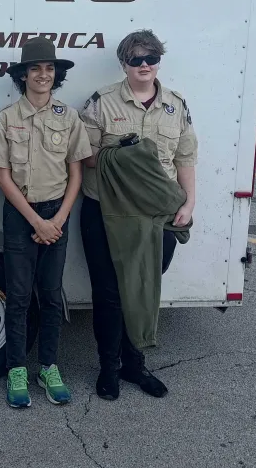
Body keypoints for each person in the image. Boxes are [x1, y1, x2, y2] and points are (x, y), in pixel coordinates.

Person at [78, 29, 197, 401]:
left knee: (143, 290)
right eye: (135, 59)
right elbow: (85, 156)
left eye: (151, 58)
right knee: (109, 293)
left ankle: (134, 365)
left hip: (156, 217)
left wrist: (188, 203)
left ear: (159, 61)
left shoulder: (176, 105)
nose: (144, 65)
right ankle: (108, 368)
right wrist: (127, 155)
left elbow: (185, 159)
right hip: (106, 212)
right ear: (123, 64)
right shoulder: (101, 103)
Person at [0, 37, 91, 409]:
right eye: (36, 68)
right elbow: (2, 176)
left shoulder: (69, 117)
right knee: (18, 297)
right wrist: (36, 220)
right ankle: (16, 369)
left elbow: (76, 173)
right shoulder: (6, 118)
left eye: (50, 69)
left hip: (57, 214)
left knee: (50, 295)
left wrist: (57, 219)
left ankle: (48, 366)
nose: (43, 75)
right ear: (23, 75)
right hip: (21, 215)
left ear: (56, 75)